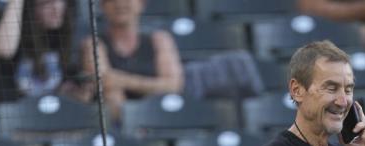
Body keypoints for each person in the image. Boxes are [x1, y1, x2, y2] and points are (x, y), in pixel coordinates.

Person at [80, 0, 262, 120]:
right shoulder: (94, 43)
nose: (120, 4)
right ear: (102, 6)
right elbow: (104, 83)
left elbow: (173, 85)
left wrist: (121, 80)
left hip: (162, 112)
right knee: (112, 96)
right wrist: (150, 84)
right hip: (122, 118)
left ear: (141, 4)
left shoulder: (159, 39)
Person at [0, 0, 87, 105]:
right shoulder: (7, 25)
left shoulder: (62, 35)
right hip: (8, 114)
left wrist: (68, 93)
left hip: (46, 119)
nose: (57, 9)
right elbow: (3, 50)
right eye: (47, 3)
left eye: (60, 1)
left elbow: (63, 80)